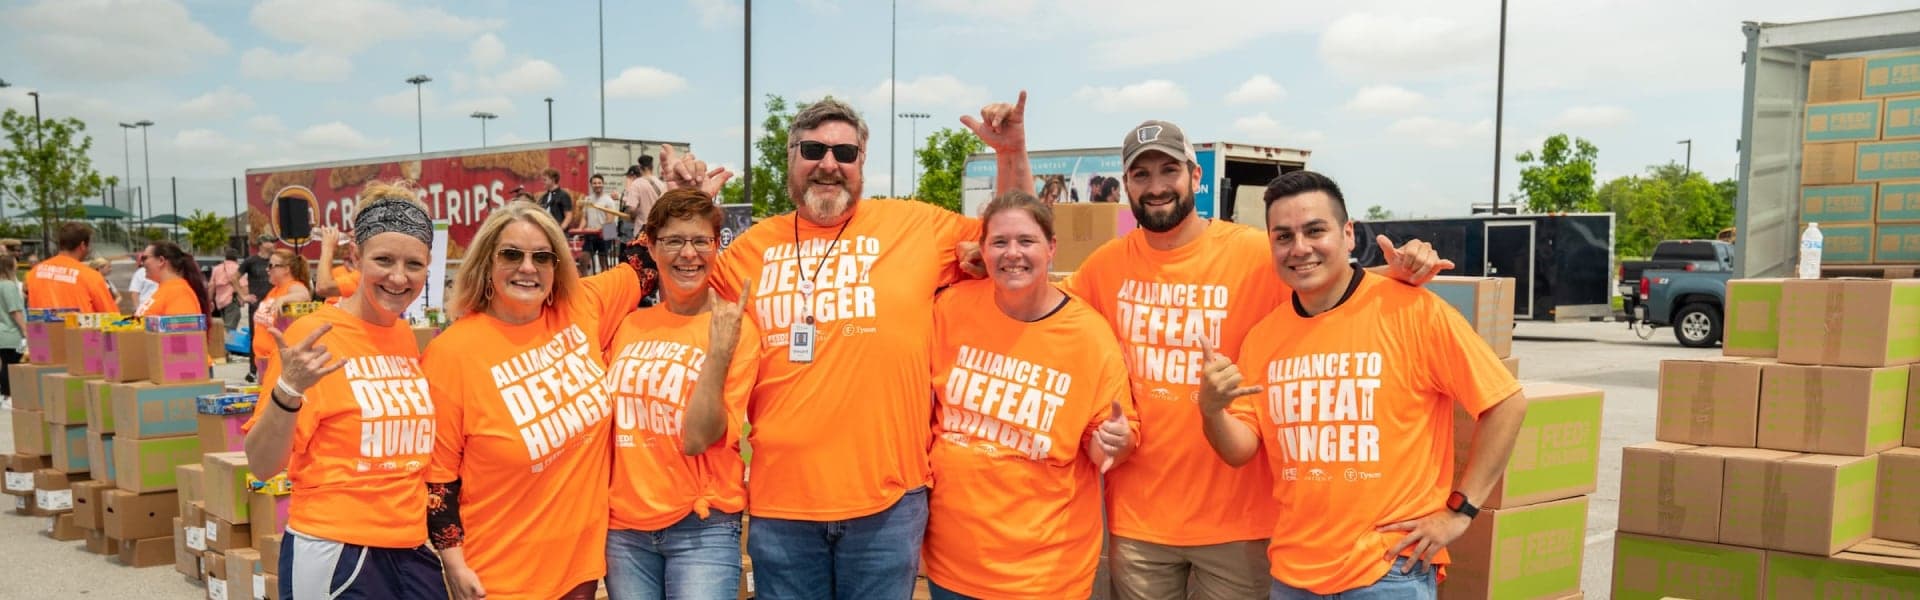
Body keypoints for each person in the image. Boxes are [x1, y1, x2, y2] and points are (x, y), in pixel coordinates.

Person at [964, 92, 1449, 600]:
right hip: (1140, 523)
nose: (1156, 187)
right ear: (1125, 185)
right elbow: (1036, 295)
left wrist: (1396, 273)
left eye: (1168, 171)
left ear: (1195, 178)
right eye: (1141, 175)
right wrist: (1003, 181)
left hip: (1240, 521)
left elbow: (1323, 279)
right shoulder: (1105, 268)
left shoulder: (1252, 253)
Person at [696, 98, 981, 599]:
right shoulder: (748, 250)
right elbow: (675, 283)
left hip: (887, 507)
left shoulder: (917, 227)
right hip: (782, 508)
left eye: (844, 152)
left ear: (861, 161)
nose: (829, 164)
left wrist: (1011, 152)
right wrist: (688, 209)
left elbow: (1020, 241)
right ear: (790, 156)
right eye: (813, 149)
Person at [1198, 171, 1529, 599]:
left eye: (1315, 230)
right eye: (1283, 237)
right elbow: (1240, 449)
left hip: (1389, 573)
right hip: (1292, 575)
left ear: (1349, 233)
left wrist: (1461, 511)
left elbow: (1507, 403)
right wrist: (1210, 409)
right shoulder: (1264, 338)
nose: (1299, 248)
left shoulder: (1412, 310)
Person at [423, 201, 650, 600]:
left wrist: (686, 194)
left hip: (580, 571)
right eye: (511, 254)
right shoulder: (451, 354)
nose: (527, 267)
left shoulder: (580, 308)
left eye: (542, 257)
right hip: (499, 579)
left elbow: (644, 263)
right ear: (486, 265)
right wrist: (454, 564)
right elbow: (438, 479)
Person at [920, 190, 1138, 599]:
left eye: (1026, 241)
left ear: (1052, 248)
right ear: (982, 250)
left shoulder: (1088, 336)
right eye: (999, 242)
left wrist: (1114, 442)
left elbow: (1109, 445)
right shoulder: (950, 309)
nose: (1012, 254)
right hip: (953, 567)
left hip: (1044, 575)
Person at [242, 180, 448, 599]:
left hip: (410, 548)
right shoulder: (314, 335)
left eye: (414, 264)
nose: (398, 277)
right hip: (336, 550)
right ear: (355, 257)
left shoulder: (407, 337)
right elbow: (263, 465)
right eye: (383, 260)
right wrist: (288, 390)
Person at [604, 189, 758, 600]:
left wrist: (720, 351)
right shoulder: (628, 325)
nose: (688, 254)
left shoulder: (735, 329)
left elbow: (698, 437)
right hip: (625, 529)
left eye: (700, 241)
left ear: (715, 246)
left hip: (701, 529)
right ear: (651, 248)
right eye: (673, 241)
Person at [25, 222, 118, 312]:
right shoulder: (92, 277)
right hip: (81, 327)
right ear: (82, 245)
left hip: (40, 328)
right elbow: (112, 318)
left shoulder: (33, 273)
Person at [251, 248, 313, 376]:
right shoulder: (274, 290)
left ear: (286, 269)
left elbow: (304, 295)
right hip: (264, 360)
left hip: (278, 361)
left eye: (271, 266)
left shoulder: (293, 286)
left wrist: (284, 299)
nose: (267, 270)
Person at [136, 241, 210, 317]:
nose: (141, 263)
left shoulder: (179, 293)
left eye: (144, 258)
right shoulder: (167, 289)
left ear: (161, 261)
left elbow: (184, 327)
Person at [581, 174, 626, 274]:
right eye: (595, 183)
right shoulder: (588, 199)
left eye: (599, 183)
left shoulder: (608, 200)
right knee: (583, 259)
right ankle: (583, 282)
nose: (597, 185)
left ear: (603, 184)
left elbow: (610, 219)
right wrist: (580, 229)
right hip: (591, 234)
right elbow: (584, 217)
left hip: (606, 232)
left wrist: (597, 229)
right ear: (591, 185)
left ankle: (605, 283)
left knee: (603, 262)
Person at [314, 226, 361, 306]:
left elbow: (323, 287)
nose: (349, 245)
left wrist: (327, 247)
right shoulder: (341, 271)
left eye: (353, 238)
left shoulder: (364, 275)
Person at [0, 255, 24, 401]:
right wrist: (26, 330)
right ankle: (8, 395)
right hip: (12, 333)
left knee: (5, 364)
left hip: (2, 332)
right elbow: (15, 311)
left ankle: (4, 395)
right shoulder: (8, 286)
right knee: (12, 365)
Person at [210, 249, 243, 330]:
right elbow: (244, 285)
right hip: (232, 301)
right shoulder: (238, 268)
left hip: (220, 303)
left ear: (225, 257)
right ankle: (227, 342)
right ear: (236, 258)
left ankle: (222, 341)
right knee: (230, 329)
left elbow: (211, 286)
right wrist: (243, 299)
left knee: (223, 327)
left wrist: (210, 300)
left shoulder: (216, 269)